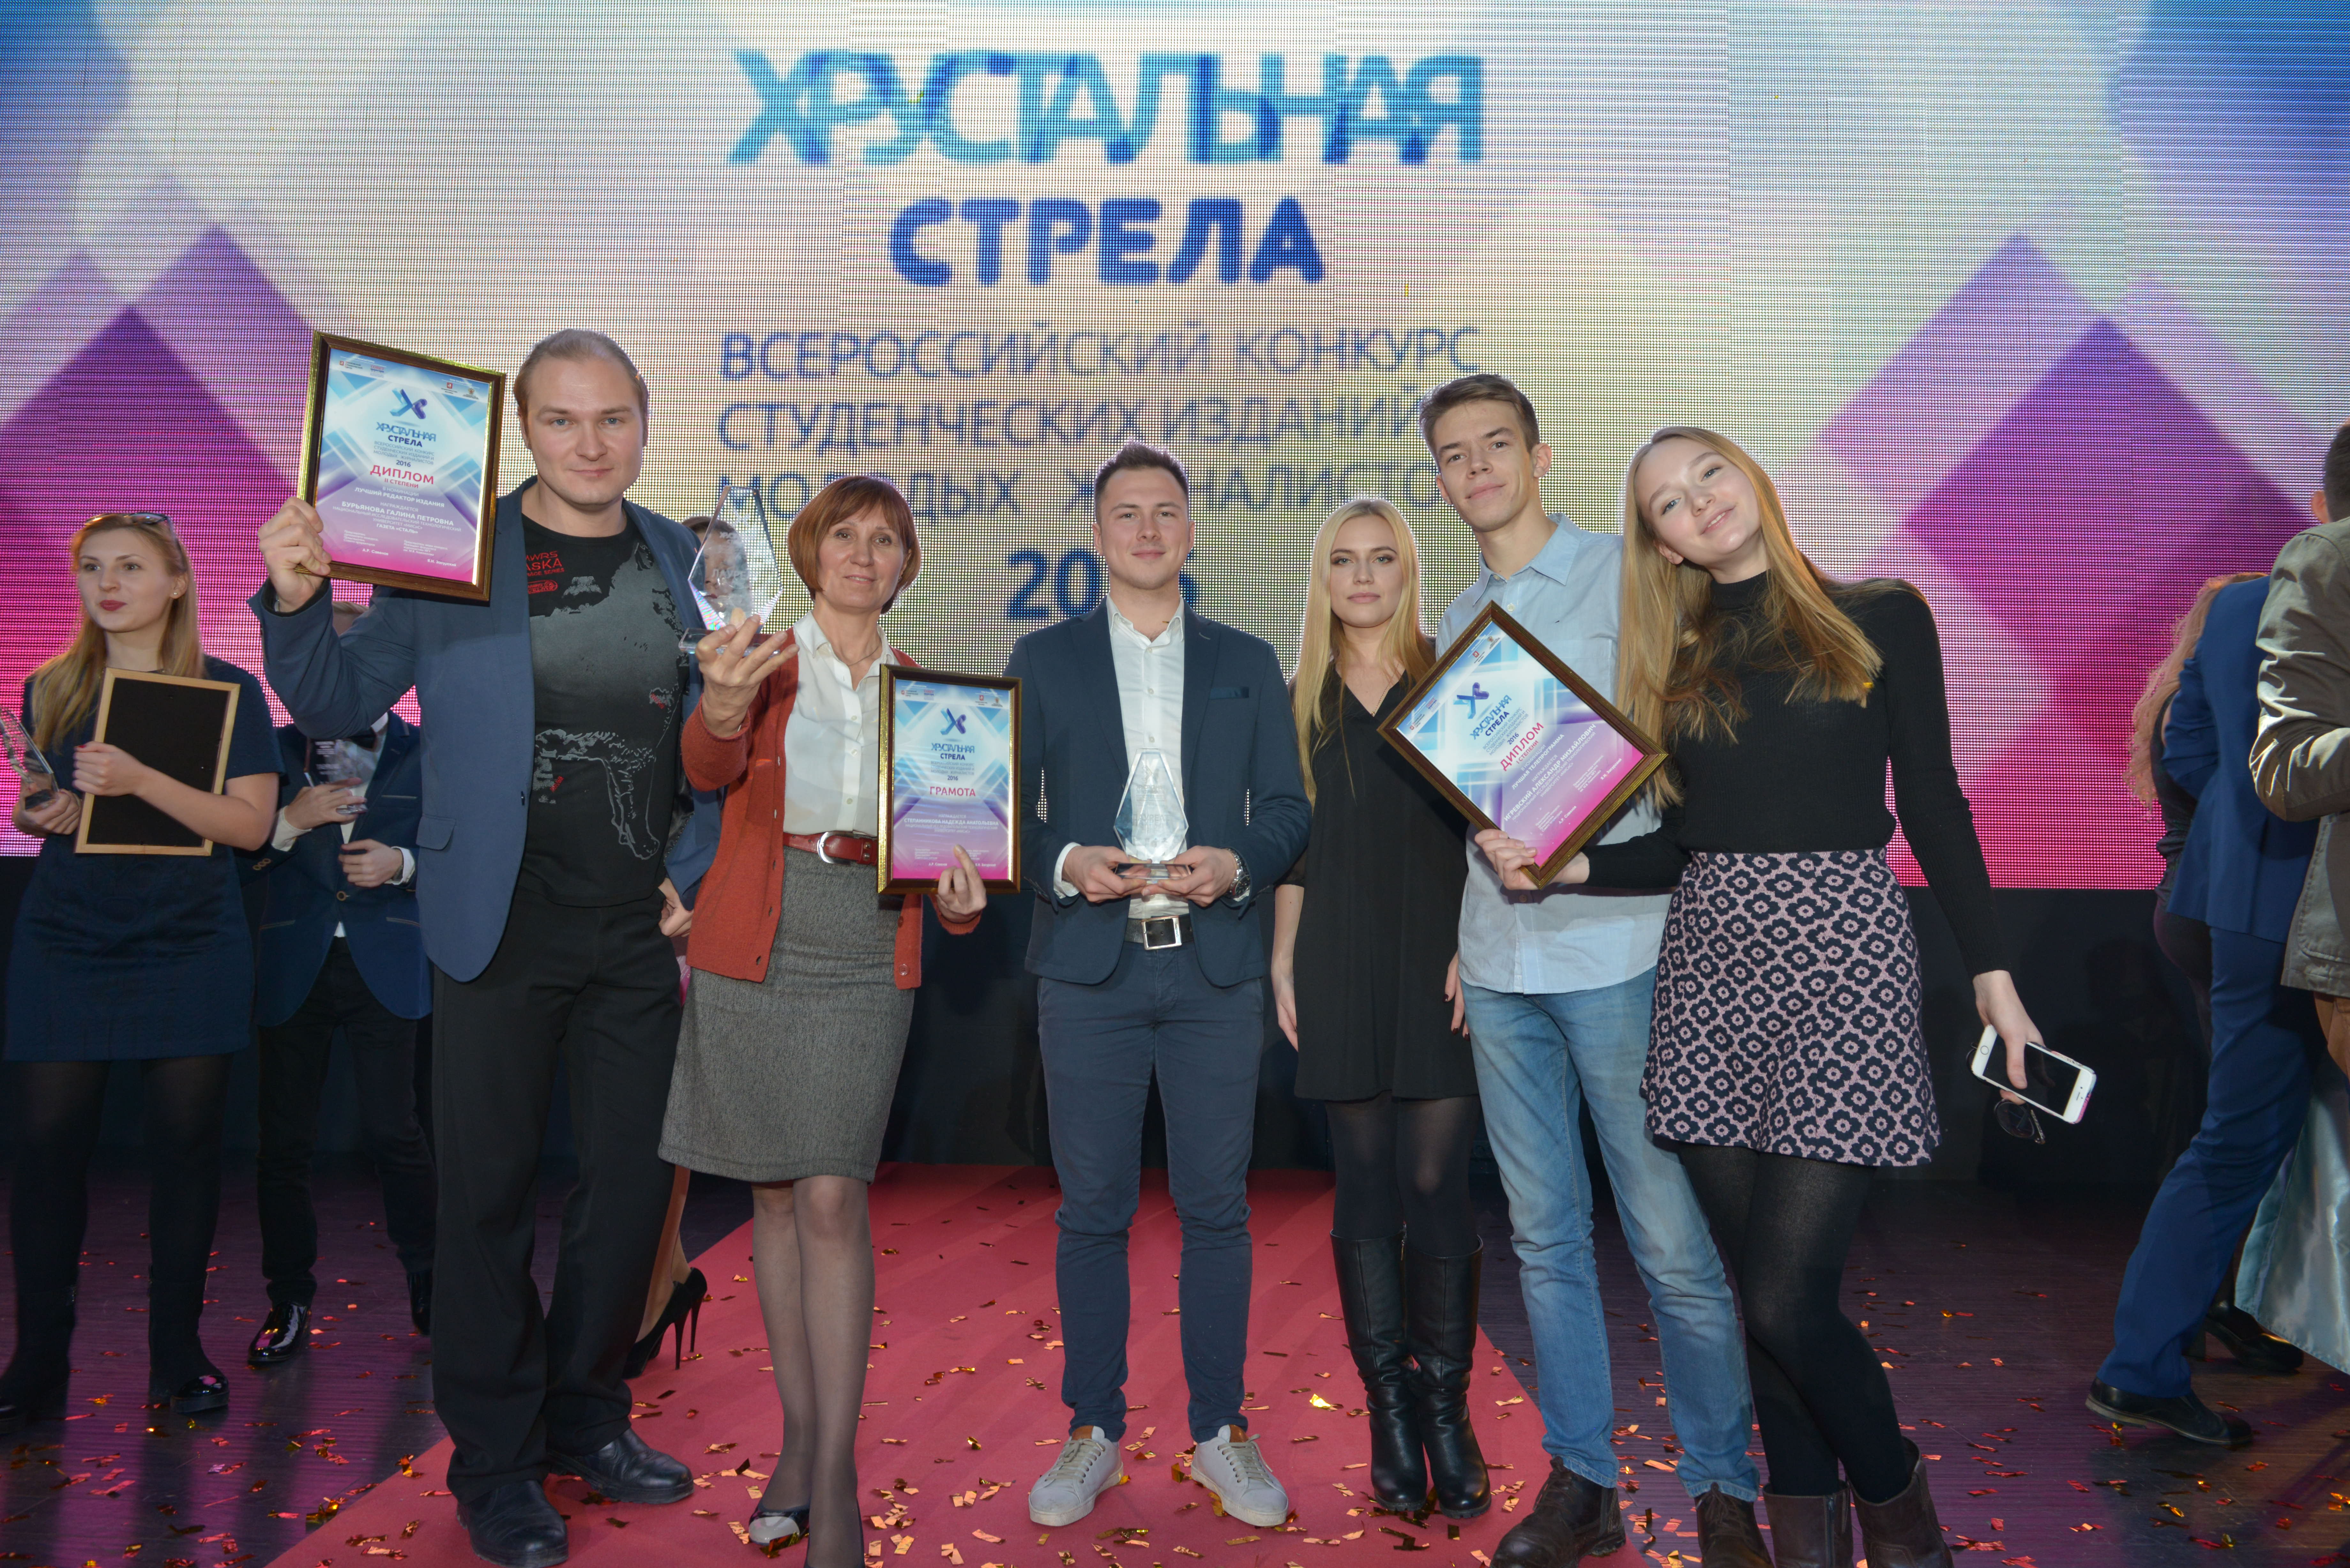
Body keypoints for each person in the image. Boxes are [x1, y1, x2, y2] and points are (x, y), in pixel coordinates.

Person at [252, 330, 716, 1568]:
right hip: (493, 919)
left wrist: (696, 878)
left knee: (631, 1195)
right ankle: (499, 1465)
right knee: (488, 1200)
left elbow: (720, 737)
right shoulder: (451, 550)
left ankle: (588, 1413)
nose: (589, 442)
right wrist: (296, 598)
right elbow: (337, 700)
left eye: (612, 418)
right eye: (562, 419)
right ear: (522, 429)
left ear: (644, 422)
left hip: (635, 930)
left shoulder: (684, 558)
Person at [1552, 426, 2037, 1567]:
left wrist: (1994, 973)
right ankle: (1809, 1537)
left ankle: (1904, 1521)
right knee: (1760, 1294)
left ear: (1751, 476)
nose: (1699, 503)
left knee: (1783, 1298)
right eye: (1669, 504)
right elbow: (1688, 841)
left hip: (1843, 961)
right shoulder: (1673, 659)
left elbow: (1933, 800)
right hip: (1710, 966)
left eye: (1708, 474)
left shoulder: (1882, 614)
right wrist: (1573, 868)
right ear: (1664, 545)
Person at [1416, 377, 1763, 1568]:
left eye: (1495, 446)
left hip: (1618, 946)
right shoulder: (1456, 614)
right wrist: (1464, 937)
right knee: (1546, 1242)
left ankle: (1724, 1489)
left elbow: (1688, 748)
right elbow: (1474, 801)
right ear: (1442, 479)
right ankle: (1583, 1482)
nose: (1477, 469)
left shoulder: (1632, 573)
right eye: (1454, 455)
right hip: (1499, 961)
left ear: (1540, 455)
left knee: (1670, 1243)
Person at [658, 474, 986, 1565]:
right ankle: (799, 1448)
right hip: (758, 927)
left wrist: (961, 895)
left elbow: (959, 853)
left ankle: (834, 1483)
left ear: (905, 565)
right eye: (845, 535)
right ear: (809, 553)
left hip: (865, 942)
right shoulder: (759, 662)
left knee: (834, 1195)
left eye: (886, 540)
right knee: (774, 1197)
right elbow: (704, 765)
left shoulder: (935, 700)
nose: (863, 554)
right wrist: (719, 703)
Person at [1007, 441, 1310, 1532]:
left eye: (1165, 512)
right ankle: (1093, 1429)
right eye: (1126, 513)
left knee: (1216, 1209)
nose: (1146, 529)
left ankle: (1221, 1430)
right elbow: (1006, 811)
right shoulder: (1043, 658)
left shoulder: (1247, 658)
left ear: (1191, 530)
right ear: (1097, 536)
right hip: (1088, 969)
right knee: (1092, 1210)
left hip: (1214, 967)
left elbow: (1289, 811)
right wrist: (1062, 862)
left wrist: (1240, 862)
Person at [0, 513, 279, 1430]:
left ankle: (177, 1356)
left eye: (129, 566)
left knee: (187, 1153)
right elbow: (50, 805)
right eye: (91, 567)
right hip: (69, 935)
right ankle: (36, 1363)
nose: (107, 584)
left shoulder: (229, 690)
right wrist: (41, 811)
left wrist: (139, 780)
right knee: (46, 1152)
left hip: (191, 939)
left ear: (177, 582)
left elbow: (250, 827)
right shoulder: (52, 686)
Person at [1268, 496, 1484, 1517]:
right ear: (1322, 578)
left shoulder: (1456, 674)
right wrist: (1282, 959)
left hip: (1444, 954)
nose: (1363, 576)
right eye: (1344, 560)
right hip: (1338, 956)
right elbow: (1294, 848)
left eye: (1382, 558)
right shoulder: (1295, 701)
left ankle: (1447, 1409)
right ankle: (1391, 1414)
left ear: (1408, 571)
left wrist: (1482, 939)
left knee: (1435, 1179)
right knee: (1362, 1180)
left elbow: (1498, 824)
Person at [2090, 565, 2321, 1449]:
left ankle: (2164, 1346)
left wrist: (2241, 827)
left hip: (2230, 899)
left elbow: (2183, 751)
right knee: (2251, 1138)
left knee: (2239, 1137)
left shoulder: (2239, 605)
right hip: (2288, 907)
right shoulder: (2282, 598)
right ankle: (2178, 1340)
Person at [241, 597, 437, 1367]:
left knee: (398, 1132)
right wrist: (290, 822)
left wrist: (404, 864)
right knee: (283, 1142)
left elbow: (462, 854)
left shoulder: (428, 747)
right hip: (297, 962)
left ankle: (430, 1284)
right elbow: (239, 858)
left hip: (388, 962)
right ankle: (287, 1298)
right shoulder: (273, 750)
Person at [2126, 573, 2302, 1373]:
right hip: (2219, 908)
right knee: (2241, 1129)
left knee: (2235, 1123)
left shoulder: (2187, 696)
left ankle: (2215, 1303)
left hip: (2200, 908)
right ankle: (2214, 1301)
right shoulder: (2216, 710)